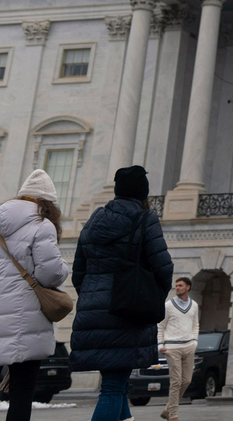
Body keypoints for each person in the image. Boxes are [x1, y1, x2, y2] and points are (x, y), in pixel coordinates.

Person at [0, 170, 70, 421]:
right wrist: (64, 266)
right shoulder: (43, 226)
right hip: (25, 321)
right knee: (21, 394)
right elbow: (51, 274)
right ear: (47, 202)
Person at [72, 166, 173, 421]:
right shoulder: (144, 218)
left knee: (119, 383)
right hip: (128, 310)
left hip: (94, 310)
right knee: (113, 387)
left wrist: (93, 297)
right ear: (143, 192)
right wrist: (151, 296)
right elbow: (163, 267)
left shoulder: (95, 219)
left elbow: (78, 272)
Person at [158, 277, 200, 421]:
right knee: (176, 382)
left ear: (188, 287)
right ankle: (173, 415)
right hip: (172, 348)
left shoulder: (194, 305)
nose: (177, 288)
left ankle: (167, 409)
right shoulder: (168, 305)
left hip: (189, 346)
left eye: (180, 286)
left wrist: (194, 342)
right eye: (176, 286)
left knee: (187, 380)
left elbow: (195, 325)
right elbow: (160, 326)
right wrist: (160, 345)